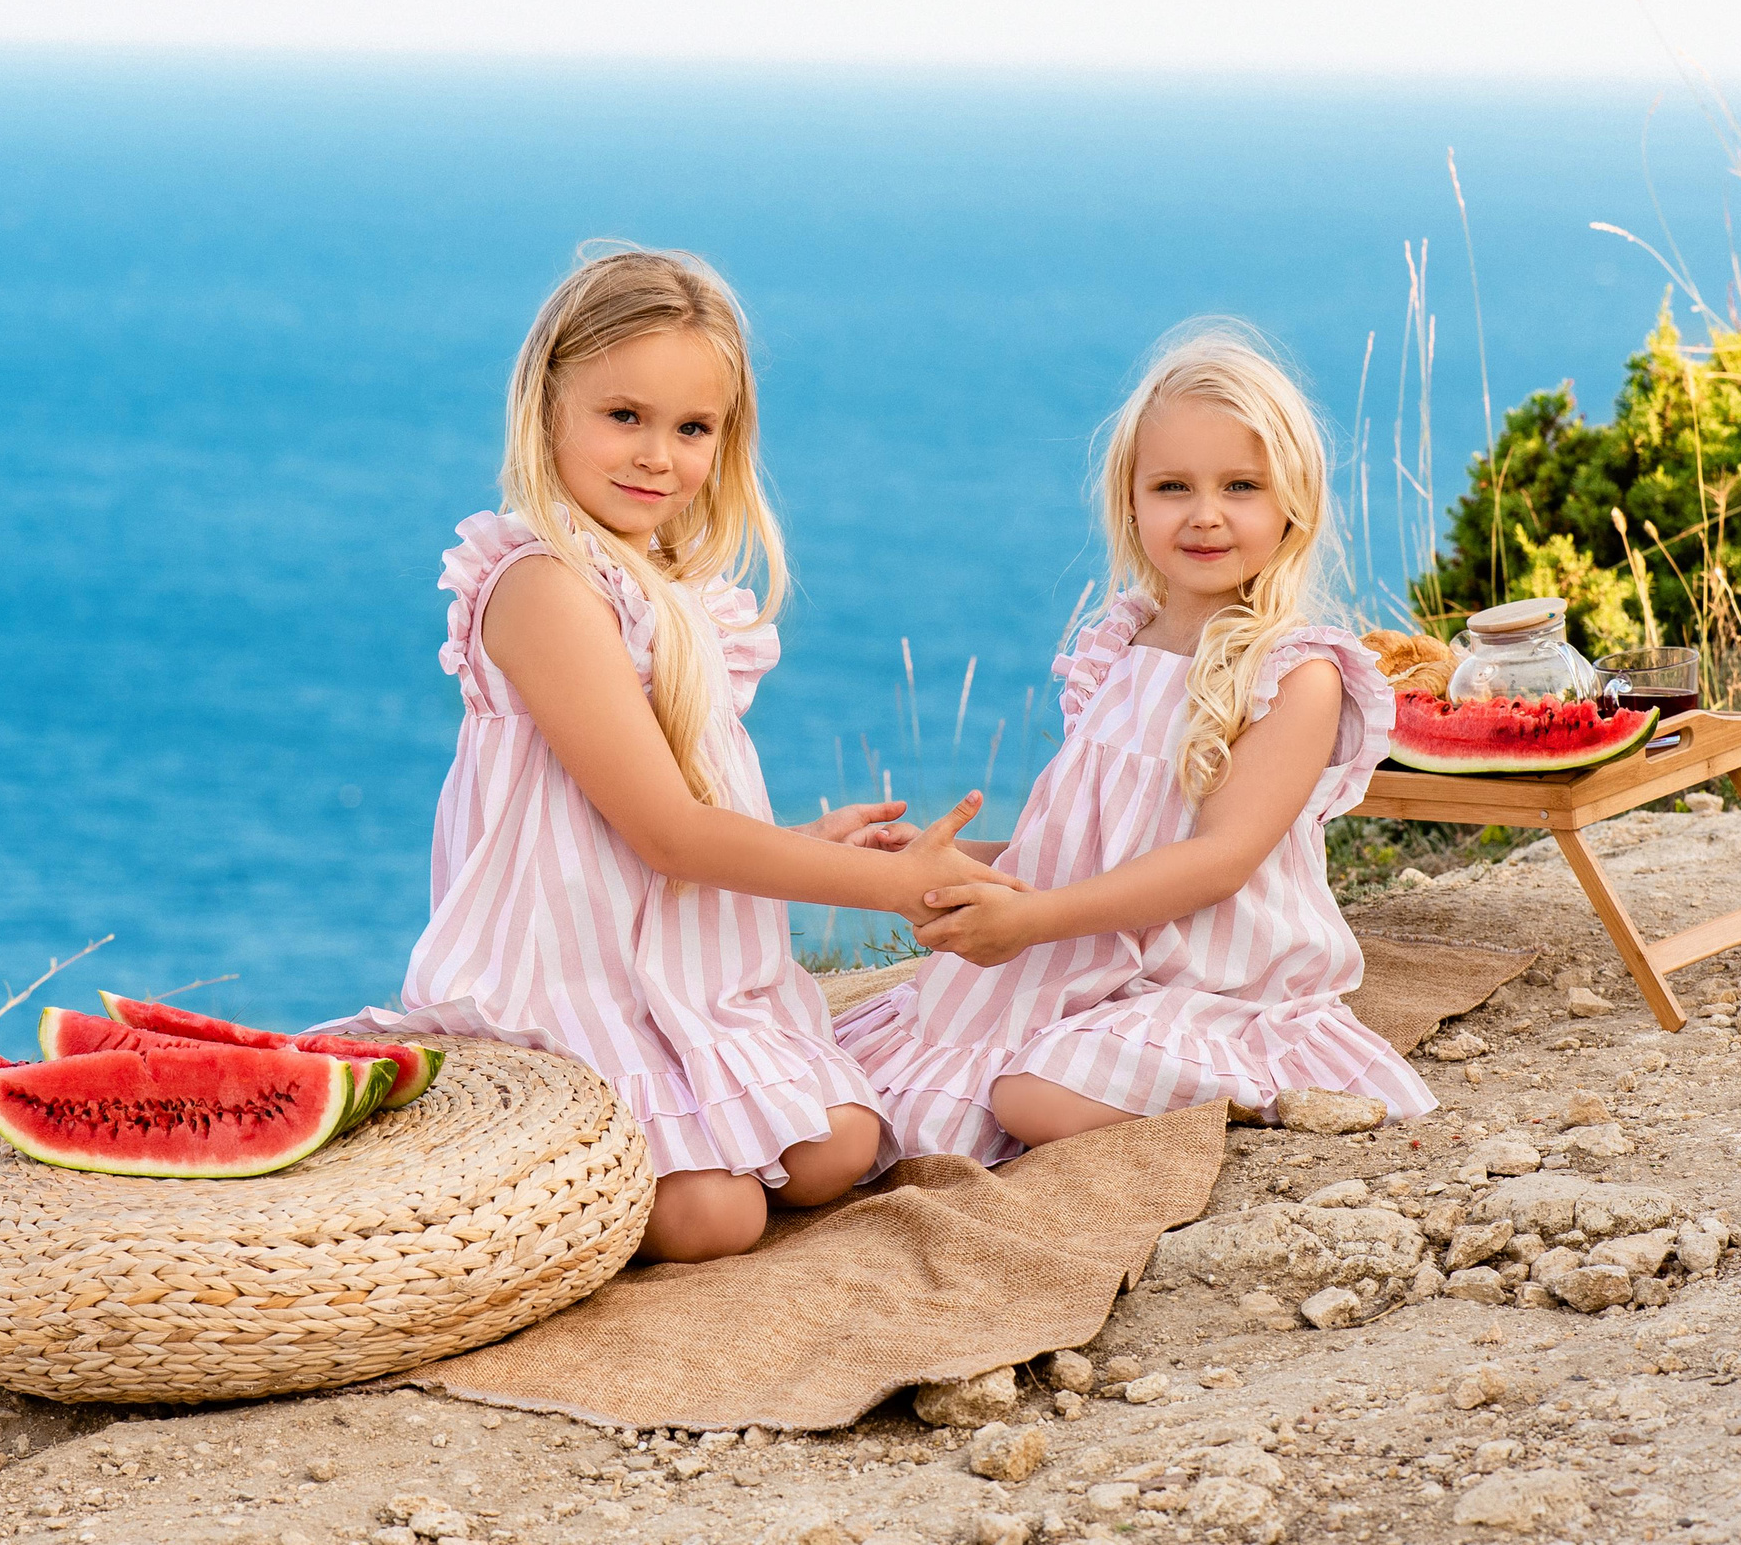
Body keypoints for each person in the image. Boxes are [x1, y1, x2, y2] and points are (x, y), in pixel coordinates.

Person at [328, 245, 1017, 1261]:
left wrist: (790, 843)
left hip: (677, 972)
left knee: (839, 1147)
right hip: (566, 980)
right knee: (717, 1214)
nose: (658, 454)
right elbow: (665, 832)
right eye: (624, 416)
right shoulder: (543, 590)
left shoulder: (669, 587)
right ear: (547, 404)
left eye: (692, 428)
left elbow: (640, 826)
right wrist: (890, 890)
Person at [835, 323, 1436, 1175]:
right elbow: (1089, 842)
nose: (1205, 514)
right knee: (905, 1095)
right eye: (1171, 486)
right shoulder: (1116, 646)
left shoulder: (1296, 673)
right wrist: (941, 860)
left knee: (1027, 1095)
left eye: (1240, 486)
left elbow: (1216, 863)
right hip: (1086, 953)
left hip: (1210, 982)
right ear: (1130, 502)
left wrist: (1032, 921)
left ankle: (1253, 1078)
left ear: (1292, 504)